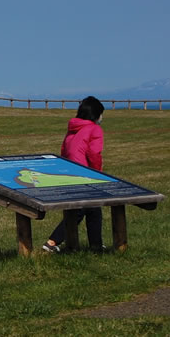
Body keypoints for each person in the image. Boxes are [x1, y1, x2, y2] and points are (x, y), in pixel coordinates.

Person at [43, 96, 105, 253]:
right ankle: (52, 241)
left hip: (69, 172)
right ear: (96, 115)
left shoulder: (72, 129)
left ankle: (96, 245)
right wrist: (98, 174)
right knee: (81, 210)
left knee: (93, 209)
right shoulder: (95, 129)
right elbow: (94, 153)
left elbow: (63, 151)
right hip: (85, 174)